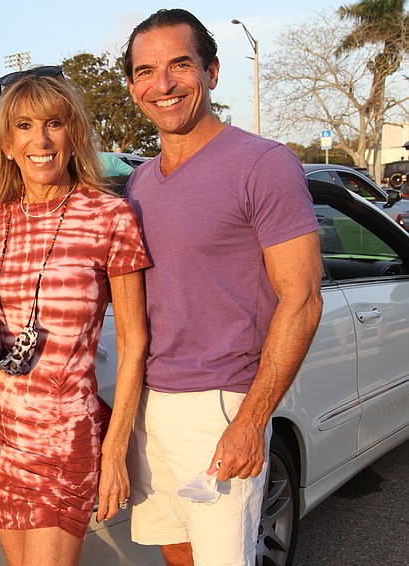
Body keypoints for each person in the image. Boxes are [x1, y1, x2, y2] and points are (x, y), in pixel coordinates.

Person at [122, 9, 323, 566]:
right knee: (176, 550)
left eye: (179, 65)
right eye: (145, 71)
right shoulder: (140, 180)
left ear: (211, 71)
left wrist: (250, 421)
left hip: (219, 404)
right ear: (133, 85)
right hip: (152, 404)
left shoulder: (263, 164)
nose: (162, 85)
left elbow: (303, 299)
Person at [0, 67, 151, 565]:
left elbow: (137, 342)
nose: (41, 139)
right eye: (25, 126)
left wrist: (115, 447)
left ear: (73, 135)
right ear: (6, 144)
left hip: (65, 439)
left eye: (54, 123)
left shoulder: (109, 216)